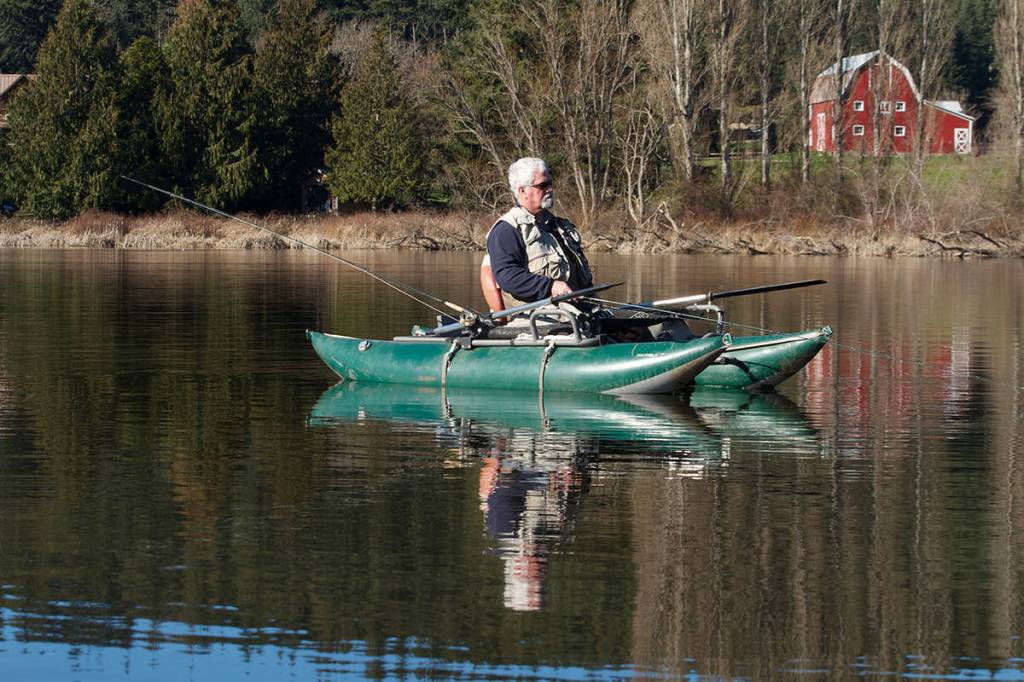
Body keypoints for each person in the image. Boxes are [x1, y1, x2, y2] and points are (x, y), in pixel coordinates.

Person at [485, 157, 593, 310]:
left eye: (550, 183)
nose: (550, 189)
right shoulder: (506, 230)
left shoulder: (559, 226)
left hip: (578, 315)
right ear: (523, 191)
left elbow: (581, 278)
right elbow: (507, 276)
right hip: (537, 321)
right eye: (543, 185)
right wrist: (551, 286)